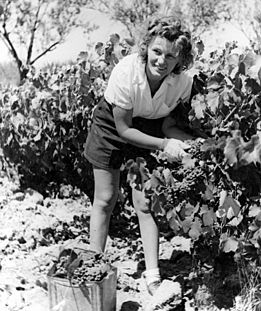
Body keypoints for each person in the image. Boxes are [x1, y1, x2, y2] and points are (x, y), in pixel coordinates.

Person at [84, 16, 195, 295]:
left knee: (144, 203)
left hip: (150, 128)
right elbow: (123, 128)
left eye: (171, 56)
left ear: (180, 59)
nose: (161, 60)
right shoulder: (126, 72)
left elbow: (169, 124)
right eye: (157, 51)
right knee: (106, 199)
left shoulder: (183, 83)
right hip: (112, 126)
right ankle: (94, 267)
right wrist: (163, 145)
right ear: (146, 48)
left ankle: (153, 275)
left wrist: (192, 143)